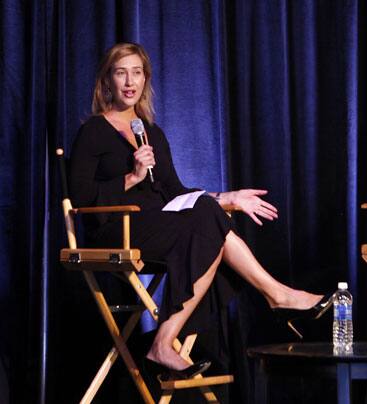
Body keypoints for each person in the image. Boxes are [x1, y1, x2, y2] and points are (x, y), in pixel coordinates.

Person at [70, 42, 331, 379]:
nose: (129, 81)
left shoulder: (153, 135)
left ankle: (165, 341)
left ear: (145, 79)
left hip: (158, 225)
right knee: (212, 224)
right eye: (121, 73)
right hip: (115, 228)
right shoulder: (93, 131)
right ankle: (277, 295)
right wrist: (131, 178)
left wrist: (229, 197)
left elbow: (177, 193)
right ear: (107, 80)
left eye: (137, 72)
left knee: (211, 220)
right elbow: (80, 199)